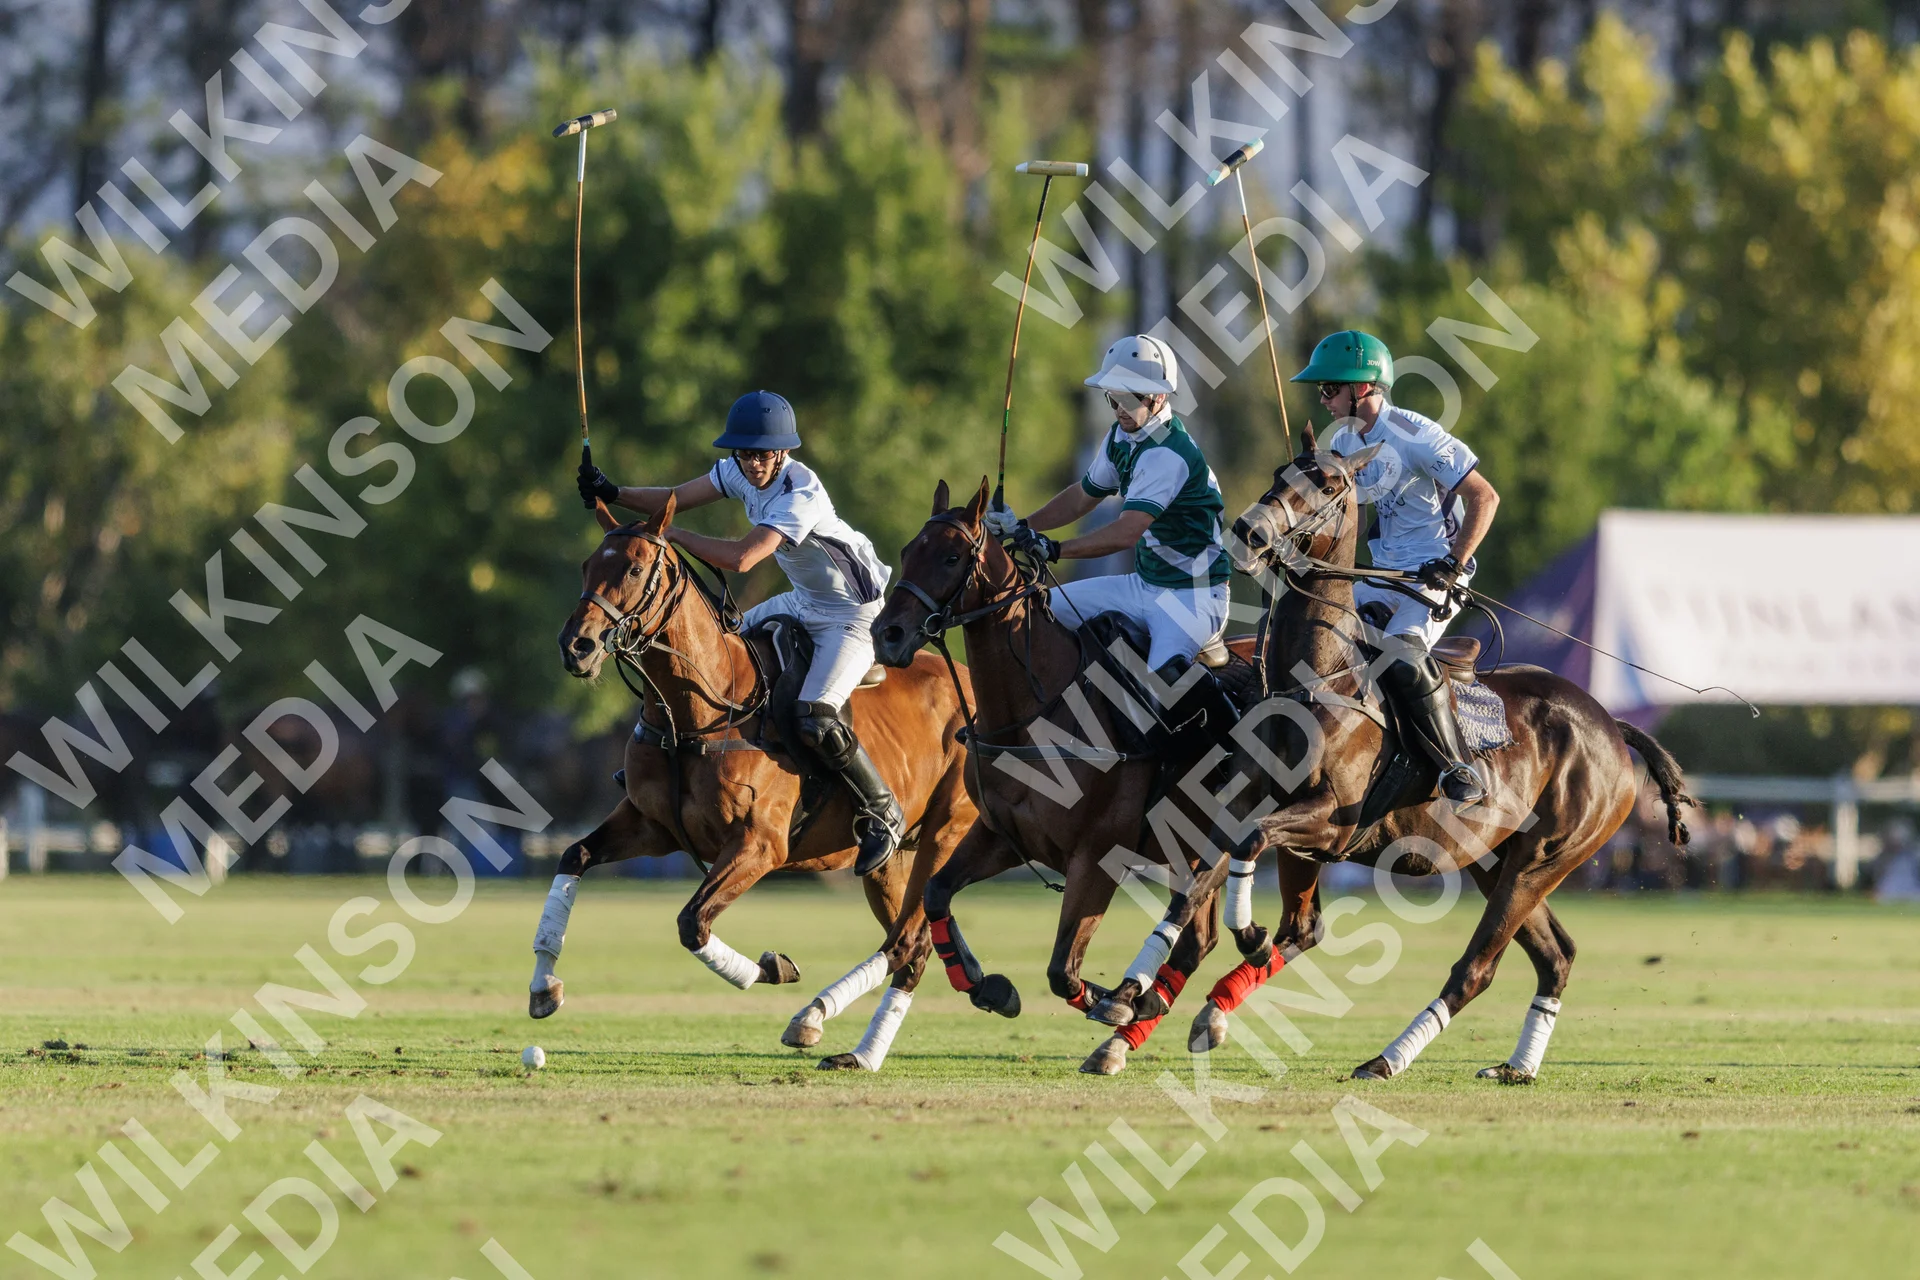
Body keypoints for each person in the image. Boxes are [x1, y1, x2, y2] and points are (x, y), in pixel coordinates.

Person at [577, 390, 904, 874]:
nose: (752, 464)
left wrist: (672, 536)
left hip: (852, 614)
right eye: (744, 453)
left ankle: (882, 811)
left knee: (815, 715)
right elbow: (675, 498)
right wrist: (612, 490)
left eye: (762, 455)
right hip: (804, 600)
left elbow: (743, 558)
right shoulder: (737, 470)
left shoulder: (800, 492)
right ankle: (663, 761)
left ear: (783, 452)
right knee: (716, 651)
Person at [986, 333, 1234, 745]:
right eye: (1111, 398)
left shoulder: (1167, 454)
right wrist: (1023, 527)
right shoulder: (1123, 436)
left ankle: (1234, 749)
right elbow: (1083, 497)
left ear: (1157, 397)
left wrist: (1056, 549)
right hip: (1144, 585)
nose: (1118, 408)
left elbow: (1126, 532)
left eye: (1126, 398)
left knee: (1160, 686)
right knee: (1034, 616)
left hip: (1195, 596)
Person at [1291, 329, 1501, 805]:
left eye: (1330, 388)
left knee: (1403, 653)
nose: (1323, 399)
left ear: (1362, 387)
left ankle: (1456, 765)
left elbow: (1485, 497)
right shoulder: (1344, 439)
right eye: (1322, 389)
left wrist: (1453, 563)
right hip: (1383, 574)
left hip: (1434, 572)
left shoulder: (1416, 435)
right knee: (1313, 631)